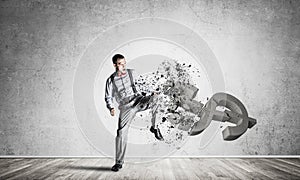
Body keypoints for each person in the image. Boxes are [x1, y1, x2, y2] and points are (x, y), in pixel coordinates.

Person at [105, 54, 164, 172]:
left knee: (158, 98)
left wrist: (152, 92)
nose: (123, 66)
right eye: (120, 64)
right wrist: (110, 107)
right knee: (121, 133)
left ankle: (154, 127)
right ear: (115, 65)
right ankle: (118, 163)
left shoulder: (132, 73)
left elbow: (143, 85)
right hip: (126, 107)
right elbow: (108, 97)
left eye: (124, 63)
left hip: (138, 100)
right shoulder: (111, 80)